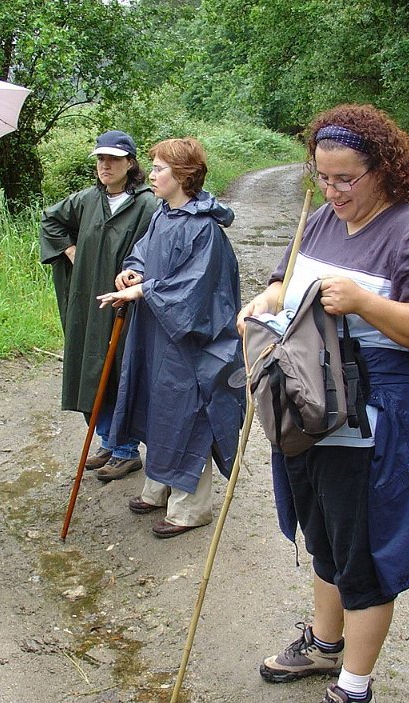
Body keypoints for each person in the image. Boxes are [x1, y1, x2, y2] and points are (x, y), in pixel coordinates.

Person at [240, 104, 409, 703]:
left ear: (383, 170)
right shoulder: (319, 220)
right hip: (307, 412)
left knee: (362, 554)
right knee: (324, 535)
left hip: (373, 422)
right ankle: (324, 643)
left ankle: (356, 694)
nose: (332, 191)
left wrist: (365, 302)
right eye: (323, 176)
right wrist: (265, 300)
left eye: (345, 179)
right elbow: (284, 281)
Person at [97, 138, 244, 539]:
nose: (153, 174)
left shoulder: (204, 229)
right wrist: (132, 271)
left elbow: (195, 291)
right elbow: (145, 254)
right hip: (157, 332)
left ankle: (190, 508)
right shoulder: (164, 215)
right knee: (157, 405)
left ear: (183, 175)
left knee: (186, 412)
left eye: (160, 168)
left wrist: (143, 291)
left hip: (192, 343)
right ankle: (159, 487)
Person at [39, 130, 157, 481]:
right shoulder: (87, 200)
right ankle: (108, 439)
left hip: (127, 305)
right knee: (92, 367)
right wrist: (71, 250)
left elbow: (158, 249)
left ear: (130, 163)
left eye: (114, 160)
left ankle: (126, 450)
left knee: (121, 369)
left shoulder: (147, 205)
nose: (105, 166)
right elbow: (51, 220)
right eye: (101, 159)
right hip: (91, 301)